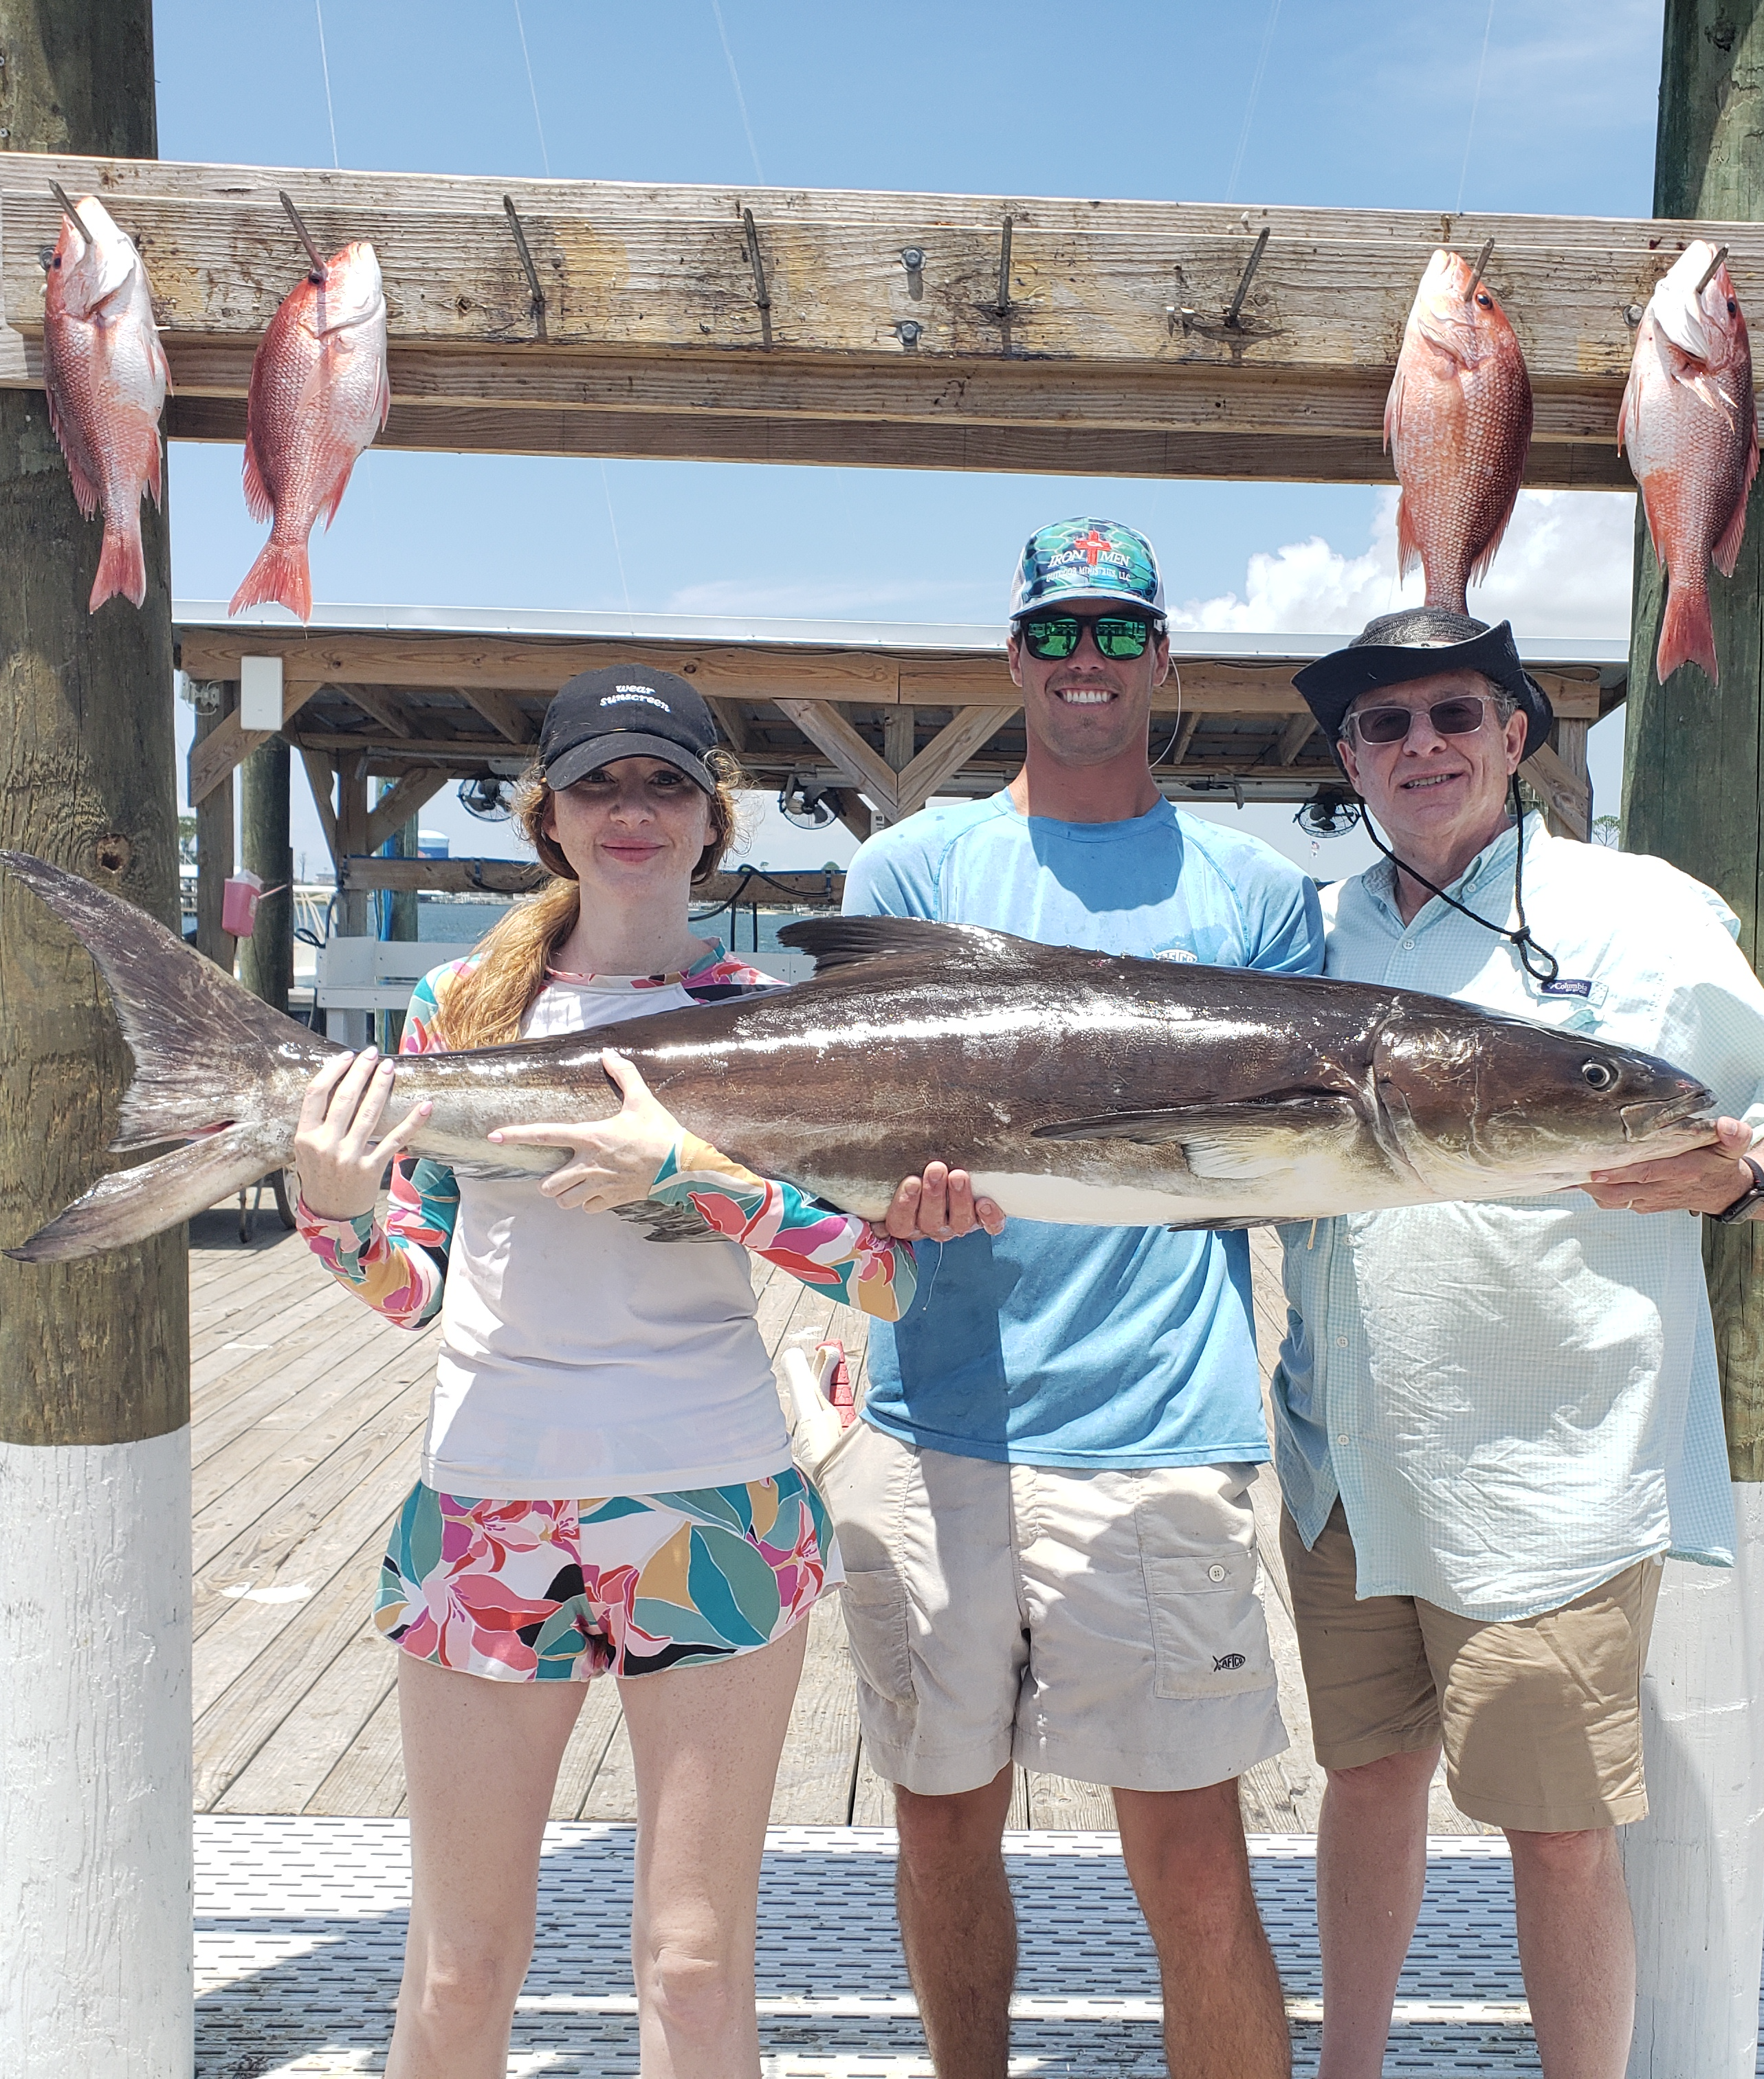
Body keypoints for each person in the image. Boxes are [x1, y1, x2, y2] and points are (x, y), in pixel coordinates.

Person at [289, 666, 918, 2078]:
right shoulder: (467, 1000)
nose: (632, 810)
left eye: (665, 783)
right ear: (550, 819)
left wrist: (695, 1176)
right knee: (458, 1973)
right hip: (485, 1517)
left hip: (714, 1517)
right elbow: (413, 1285)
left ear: (715, 821)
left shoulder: (762, 1011)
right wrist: (333, 1208)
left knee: (695, 1972)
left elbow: (878, 1271)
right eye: (599, 784)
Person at [1274, 608, 1764, 2079]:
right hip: (1340, 1455)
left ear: (1517, 736)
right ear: (1350, 758)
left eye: (1455, 714)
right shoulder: (1311, 936)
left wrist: (1734, 1179)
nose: (1423, 747)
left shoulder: (1644, 912)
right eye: (1384, 726)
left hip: (1551, 1472)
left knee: (1557, 1833)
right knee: (1364, 1779)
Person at [816, 516, 1324, 2079]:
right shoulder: (908, 867)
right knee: (942, 1824)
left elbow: (1298, 1172)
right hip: (932, 1421)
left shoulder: (1255, 892)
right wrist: (878, 1205)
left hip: (1163, 1433)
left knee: (1190, 1857)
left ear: (1165, 657)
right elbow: (819, 1136)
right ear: (1014, 657)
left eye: (1117, 632)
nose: (1086, 662)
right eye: (1056, 633)